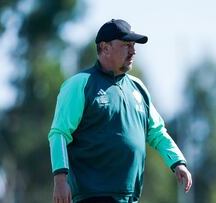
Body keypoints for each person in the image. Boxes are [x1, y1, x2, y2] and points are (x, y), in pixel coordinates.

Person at [48, 19, 192, 203]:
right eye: (126, 45)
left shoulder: (138, 88)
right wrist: (60, 179)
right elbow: (59, 133)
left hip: (130, 197)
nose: (133, 51)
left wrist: (178, 162)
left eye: (133, 45)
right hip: (92, 196)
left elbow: (157, 132)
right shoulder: (80, 84)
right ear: (105, 47)